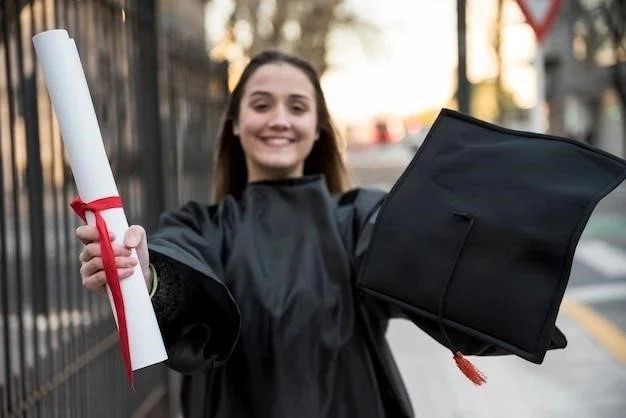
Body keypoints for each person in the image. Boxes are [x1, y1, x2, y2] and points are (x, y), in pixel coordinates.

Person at [75, 50, 570, 418]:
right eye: (262, 104)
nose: (279, 120)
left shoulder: (358, 219)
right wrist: (142, 273)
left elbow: (423, 254)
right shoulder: (200, 226)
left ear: (318, 129)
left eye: (297, 106)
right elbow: (178, 274)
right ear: (234, 124)